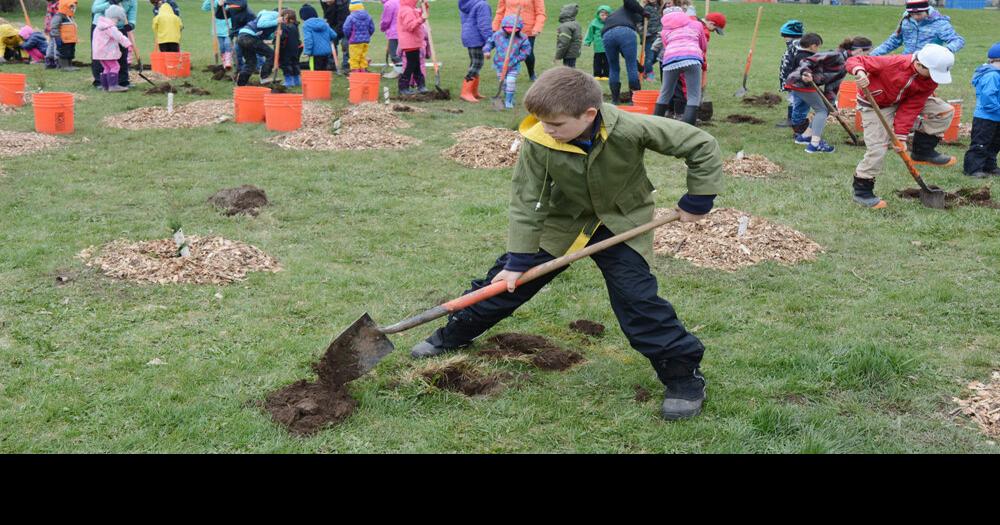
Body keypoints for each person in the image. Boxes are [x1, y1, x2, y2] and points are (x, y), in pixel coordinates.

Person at [409, 67, 723, 421]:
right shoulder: (540, 141)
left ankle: (682, 377)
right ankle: (453, 334)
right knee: (505, 283)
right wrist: (518, 260)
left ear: (589, 115)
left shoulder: (630, 128)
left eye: (556, 124)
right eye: (541, 121)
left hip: (622, 220)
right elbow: (526, 200)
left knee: (637, 300)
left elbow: (701, 144)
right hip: (564, 222)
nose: (547, 130)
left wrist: (699, 198)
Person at [846, 44, 956, 208]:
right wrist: (859, 71)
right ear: (919, 64)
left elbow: (912, 106)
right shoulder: (892, 63)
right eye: (932, 73)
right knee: (877, 148)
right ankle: (862, 191)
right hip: (875, 103)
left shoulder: (930, 79)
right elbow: (855, 59)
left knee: (944, 111)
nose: (935, 77)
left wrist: (901, 136)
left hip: (903, 100)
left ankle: (922, 151)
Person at [784, 36, 871, 154]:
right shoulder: (836, 55)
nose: (867, 56)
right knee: (822, 111)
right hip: (801, 81)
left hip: (807, 84)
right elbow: (806, 61)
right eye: (867, 53)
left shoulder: (846, 63)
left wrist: (832, 106)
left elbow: (832, 86)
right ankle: (815, 145)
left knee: (824, 109)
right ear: (859, 51)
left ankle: (805, 137)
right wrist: (806, 72)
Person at [651, 10, 705, 125]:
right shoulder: (697, 25)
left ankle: (654, 125)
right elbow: (703, 44)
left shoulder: (665, 30)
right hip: (692, 58)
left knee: (665, 93)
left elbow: (666, 46)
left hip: (670, 59)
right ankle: (688, 129)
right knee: (693, 96)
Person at [870, 0, 964, 58]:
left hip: (927, 66)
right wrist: (873, 54)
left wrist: (944, 51)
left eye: (919, 14)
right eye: (912, 14)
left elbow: (958, 41)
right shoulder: (906, 20)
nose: (915, 17)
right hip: (906, 62)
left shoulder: (940, 23)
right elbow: (894, 41)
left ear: (927, 11)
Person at [963, 43, 1000, 178]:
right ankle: (972, 169)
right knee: (981, 144)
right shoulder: (992, 76)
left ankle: (989, 166)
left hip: (997, 117)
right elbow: (988, 99)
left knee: (994, 144)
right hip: (986, 118)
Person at [483, 14, 532, 109]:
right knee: (504, 83)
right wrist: (487, 51)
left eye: (513, 29)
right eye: (507, 29)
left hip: (513, 65)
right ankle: (507, 96)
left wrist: (517, 59)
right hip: (499, 65)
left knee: (510, 81)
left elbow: (526, 51)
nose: (510, 31)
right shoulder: (497, 35)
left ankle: (508, 101)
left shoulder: (523, 38)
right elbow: (489, 43)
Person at [602, 0, 645, 104]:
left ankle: (615, 100)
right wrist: (643, 12)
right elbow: (630, 2)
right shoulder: (631, 7)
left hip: (606, 35)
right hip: (625, 32)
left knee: (613, 67)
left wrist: (639, 66)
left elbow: (624, 53)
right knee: (631, 67)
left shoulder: (615, 14)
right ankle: (634, 100)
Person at [493, 0, 546, 81]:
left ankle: (531, 73)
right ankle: (507, 74)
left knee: (528, 54)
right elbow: (500, 12)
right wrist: (495, 27)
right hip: (508, 28)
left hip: (527, 30)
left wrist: (537, 28)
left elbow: (540, 13)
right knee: (507, 53)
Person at [458, 0, 493, 102]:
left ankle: (473, 91)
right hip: (477, 37)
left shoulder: (465, 3)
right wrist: (489, 40)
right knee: (477, 64)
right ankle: (466, 92)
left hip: (469, 36)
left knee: (474, 63)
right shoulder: (482, 5)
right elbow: (484, 25)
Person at [92, 5, 132, 91]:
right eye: (118, 19)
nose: (117, 22)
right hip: (108, 52)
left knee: (107, 68)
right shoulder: (111, 27)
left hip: (99, 53)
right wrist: (128, 44)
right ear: (115, 17)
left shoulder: (99, 26)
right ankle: (113, 86)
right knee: (115, 67)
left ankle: (105, 86)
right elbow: (119, 37)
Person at [235, 8, 278, 86]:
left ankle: (241, 83)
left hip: (242, 37)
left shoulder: (269, 20)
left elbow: (265, 35)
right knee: (271, 54)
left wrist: (275, 35)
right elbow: (261, 24)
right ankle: (264, 76)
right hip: (249, 37)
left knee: (251, 61)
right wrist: (277, 21)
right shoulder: (273, 14)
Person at [776, 19, 804, 128]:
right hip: (790, 77)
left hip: (794, 78)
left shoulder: (796, 45)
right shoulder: (793, 44)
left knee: (794, 98)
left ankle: (793, 119)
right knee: (792, 98)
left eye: (785, 36)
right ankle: (792, 118)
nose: (784, 38)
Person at [396, 0, 428, 95]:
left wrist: (424, 9)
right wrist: (421, 19)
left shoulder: (411, 9)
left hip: (414, 42)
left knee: (416, 64)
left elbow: (420, 14)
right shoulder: (406, 11)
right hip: (409, 42)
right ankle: (403, 86)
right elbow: (410, 26)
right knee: (411, 64)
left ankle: (420, 85)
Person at [301, 3, 337, 71]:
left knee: (315, 70)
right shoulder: (324, 23)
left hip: (315, 53)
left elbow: (308, 40)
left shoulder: (306, 25)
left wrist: (307, 52)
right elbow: (334, 35)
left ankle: (317, 81)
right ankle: (323, 81)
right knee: (323, 69)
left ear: (303, 17)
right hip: (326, 52)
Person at [342, 0, 373, 72]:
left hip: (354, 41)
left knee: (354, 58)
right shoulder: (368, 16)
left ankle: (356, 73)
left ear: (351, 8)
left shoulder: (350, 17)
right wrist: (367, 35)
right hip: (365, 41)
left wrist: (349, 36)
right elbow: (372, 28)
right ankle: (363, 71)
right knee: (363, 56)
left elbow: (346, 29)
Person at [321, 0, 350, 74]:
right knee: (331, 43)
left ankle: (347, 65)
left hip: (347, 26)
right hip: (334, 25)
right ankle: (331, 64)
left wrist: (334, 33)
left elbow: (343, 21)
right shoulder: (325, 3)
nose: (326, 3)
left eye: (328, 1)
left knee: (345, 44)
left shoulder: (344, 5)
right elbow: (328, 16)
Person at [50, 0, 79, 71]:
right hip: (63, 40)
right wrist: (57, 37)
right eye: (71, 6)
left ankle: (69, 65)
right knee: (64, 53)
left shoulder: (69, 17)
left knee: (70, 52)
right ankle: (64, 66)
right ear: (64, 6)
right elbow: (54, 27)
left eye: (73, 7)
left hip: (71, 40)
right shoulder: (59, 16)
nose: (73, 9)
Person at [203, 0, 233, 69]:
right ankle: (224, 60)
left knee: (227, 44)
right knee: (222, 46)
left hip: (228, 26)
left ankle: (228, 61)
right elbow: (205, 8)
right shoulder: (215, 1)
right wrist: (216, 2)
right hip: (218, 28)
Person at [583, 5, 611, 80]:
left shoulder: (611, 22)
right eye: (602, 15)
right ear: (598, 15)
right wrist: (587, 42)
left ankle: (606, 74)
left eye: (606, 15)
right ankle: (597, 74)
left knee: (607, 61)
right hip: (598, 46)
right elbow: (590, 33)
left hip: (608, 46)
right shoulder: (594, 22)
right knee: (597, 61)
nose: (604, 16)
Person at [553, 3, 582, 69]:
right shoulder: (576, 23)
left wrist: (557, 56)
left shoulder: (565, 26)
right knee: (572, 68)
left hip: (568, 53)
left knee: (569, 71)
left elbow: (564, 43)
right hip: (574, 52)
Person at [380, 0, 403, 78]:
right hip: (403, 32)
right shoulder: (399, 1)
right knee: (401, 53)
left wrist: (383, 28)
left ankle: (399, 72)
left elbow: (386, 20)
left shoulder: (388, 4)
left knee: (394, 54)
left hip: (394, 33)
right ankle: (401, 70)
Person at [278, 9, 301, 87]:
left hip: (286, 49)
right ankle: (297, 80)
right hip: (294, 49)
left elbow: (282, 38)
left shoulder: (284, 27)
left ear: (286, 17)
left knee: (286, 65)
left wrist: (278, 35)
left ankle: (289, 82)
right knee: (294, 63)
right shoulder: (295, 26)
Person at [640, 0, 662, 81]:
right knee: (649, 57)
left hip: (658, 36)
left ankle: (643, 70)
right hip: (649, 36)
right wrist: (643, 34)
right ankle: (650, 75)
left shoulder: (660, 7)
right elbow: (639, 23)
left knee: (658, 56)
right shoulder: (644, 8)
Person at [45, 0, 61, 68]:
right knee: (56, 44)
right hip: (55, 27)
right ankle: (57, 60)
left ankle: (49, 61)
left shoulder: (50, 4)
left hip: (49, 26)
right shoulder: (57, 4)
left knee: (51, 43)